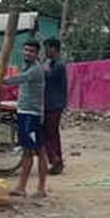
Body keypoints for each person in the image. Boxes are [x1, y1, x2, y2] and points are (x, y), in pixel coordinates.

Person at [3, 40, 48, 197]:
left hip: (32, 115)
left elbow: (18, 79)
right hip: (25, 112)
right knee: (29, 151)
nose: (27, 53)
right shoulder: (27, 67)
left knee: (38, 150)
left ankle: (40, 188)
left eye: (31, 51)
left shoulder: (35, 70)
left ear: (37, 54)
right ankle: (22, 187)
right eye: (26, 50)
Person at [42, 37, 68, 174]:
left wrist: (42, 67)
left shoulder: (58, 65)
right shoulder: (52, 63)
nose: (45, 51)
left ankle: (56, 160)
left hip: (54, 104)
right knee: (51, 133)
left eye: (47, 48)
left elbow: (48, 76)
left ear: (53, 49)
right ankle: (55, 159)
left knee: (50, 133)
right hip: (50, 103)